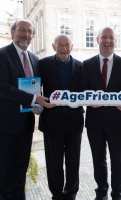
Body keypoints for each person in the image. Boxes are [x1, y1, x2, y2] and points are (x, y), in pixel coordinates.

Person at [0, 19, 55, 199]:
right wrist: (34, 99)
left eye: (30, 32)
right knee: (4, 174)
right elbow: (4, 88)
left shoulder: (34, 59)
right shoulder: (0, 55)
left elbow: (34, 87)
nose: (26, 34)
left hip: (25, 124)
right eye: (22, 30)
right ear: (12, 32)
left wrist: (36, 104)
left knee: (20, 172)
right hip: (4, 125)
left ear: (33, 35)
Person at [80, 27, 121, 200]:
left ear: (115, 41)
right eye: (104, 37)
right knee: (98, 160)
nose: (108, 40)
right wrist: (88, 100)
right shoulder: (86, 65)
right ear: (98, 40)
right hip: (94, 122)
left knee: (117, 161)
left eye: (111, 37)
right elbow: (82, 90)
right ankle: (101, 191)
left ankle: (117, 194)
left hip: (116, 121)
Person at [38, 34, 84, 199]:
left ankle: (71, 194)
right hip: (52, 121)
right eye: (60, 45)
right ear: (53, 46)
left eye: (67, 45)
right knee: (54, 163)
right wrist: (36, 105)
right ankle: (57, 195)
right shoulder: (42, 64)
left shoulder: (81, 66)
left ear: (72, 47)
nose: (64, 48)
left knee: (73, 163)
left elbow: (87, 91)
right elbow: (36, 88)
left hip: (74, 121)